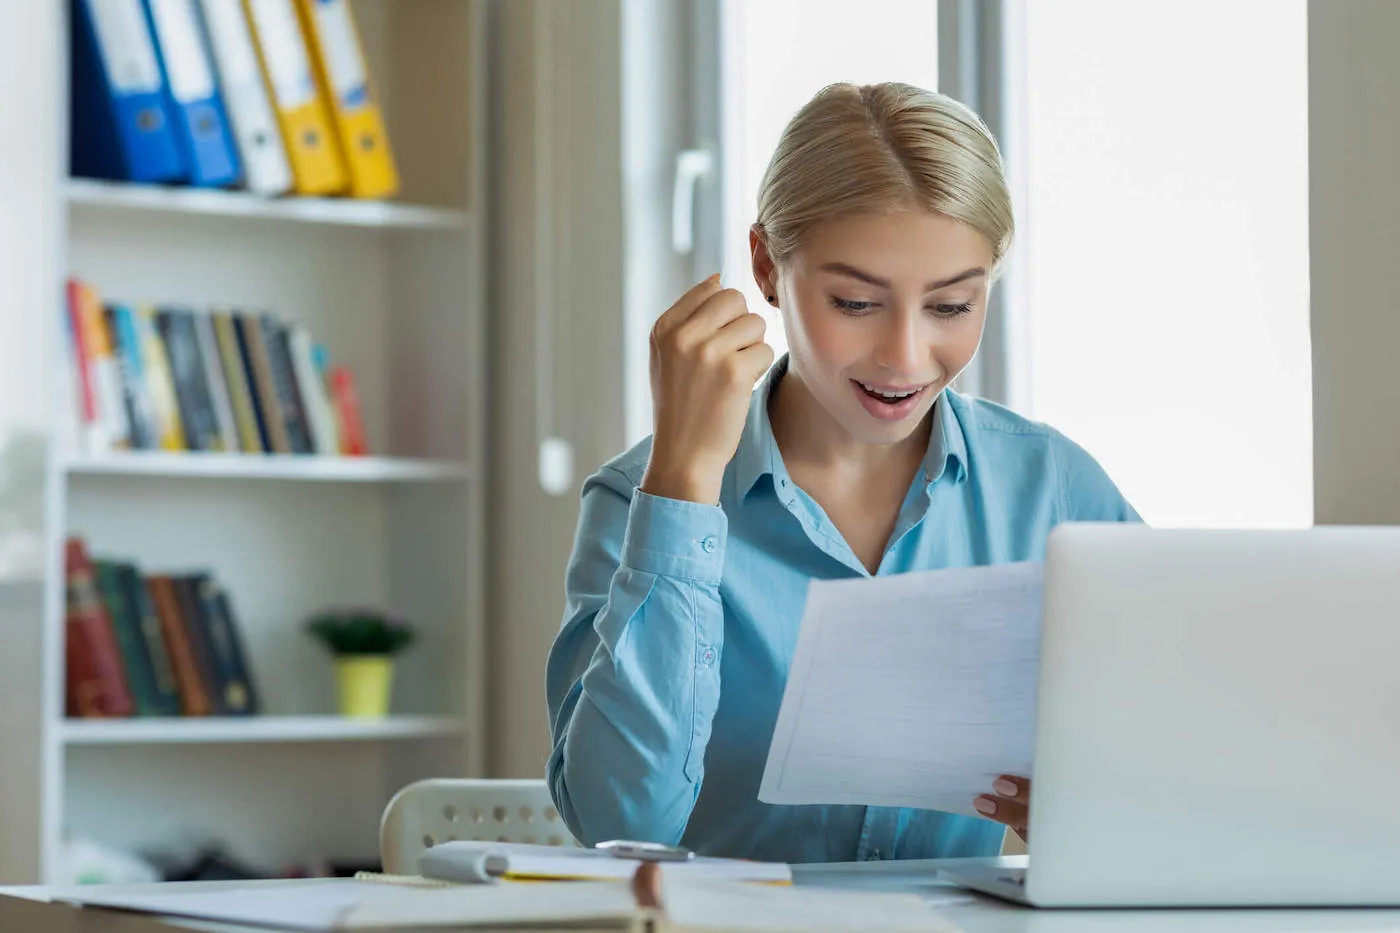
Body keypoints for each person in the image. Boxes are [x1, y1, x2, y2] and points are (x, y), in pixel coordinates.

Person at [545, 81, 1139, 864]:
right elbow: (621, 820)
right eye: (856, 303)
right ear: (767, 265)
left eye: (952, 306)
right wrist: (683, 483)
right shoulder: (641, 499)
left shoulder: (1050, 486)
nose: (904, 356)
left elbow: (1168, 759)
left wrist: (1099, 804)